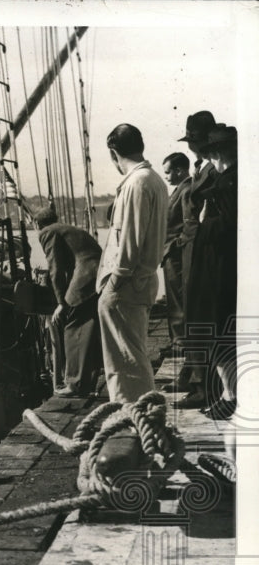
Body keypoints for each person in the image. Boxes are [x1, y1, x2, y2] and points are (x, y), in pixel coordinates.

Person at [96, 124, 168, 404]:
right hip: (141, 281)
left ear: (114, 152)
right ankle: (140, 414)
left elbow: (130, 241)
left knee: (124, 361)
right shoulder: (155, 181)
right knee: (132, 355)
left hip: (126, 283)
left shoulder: (137, 183)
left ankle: (131, 416)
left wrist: (115, 281)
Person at [189, 123, 238, 419]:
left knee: (217, 329)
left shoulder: (225, 184)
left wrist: (207, 220)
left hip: (217, 268)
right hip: (220, 266)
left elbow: (230, 225)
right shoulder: (228, 181)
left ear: (218, 152)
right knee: (221, 331)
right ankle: (227, 392)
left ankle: (229, 394)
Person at [172, 111, 218, 408]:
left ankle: (203, 386)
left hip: (203, 248)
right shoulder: (202, 169)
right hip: (192, 249)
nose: (193, 147)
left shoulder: (212, 171)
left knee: (199, 313)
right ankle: (196, 378)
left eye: (196, 141)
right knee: (191, 312)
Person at [34, 205, 103, 397]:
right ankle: (88, 380)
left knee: (73, 325)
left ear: (36, 223)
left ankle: (75, 383)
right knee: (90, 326)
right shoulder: (67, 228)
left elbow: (55, 269)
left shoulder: (46, 232)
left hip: (87, 274)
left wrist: (61, 303)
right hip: (100, 271)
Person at [159, 152, 192, 356]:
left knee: (178, 300)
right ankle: (176, 342)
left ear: (179, 170)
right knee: (174, 300)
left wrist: (175, 246)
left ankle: (180, 344)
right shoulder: (179, 189)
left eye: (168, 172)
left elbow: (189, 224)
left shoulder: (186, 190)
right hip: (170, 254)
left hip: (175, 255)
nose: (167, 177)